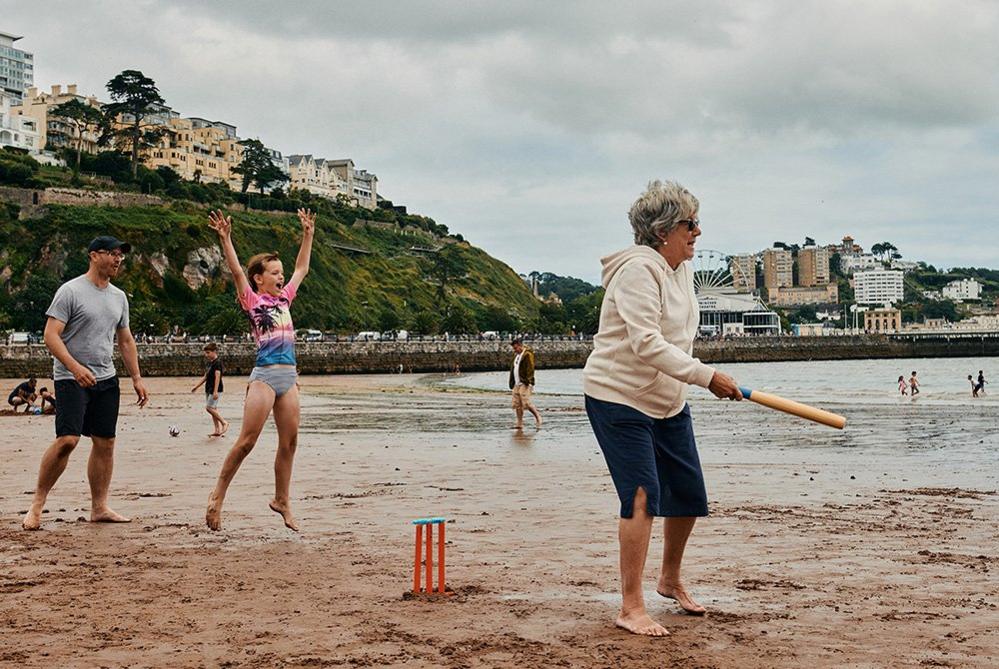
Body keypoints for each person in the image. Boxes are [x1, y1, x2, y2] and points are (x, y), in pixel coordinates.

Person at [582, 180, 742, 637]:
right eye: (689, 224)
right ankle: (631, 605)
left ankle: (669, 578)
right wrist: (708, 376)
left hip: (668, 400)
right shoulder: (639, 270)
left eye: (696, 222)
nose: (697, 232)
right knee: (641, 496)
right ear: (662, 230)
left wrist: (693, 381)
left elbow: (677, 338)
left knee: (689, 494)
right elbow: (647, 344)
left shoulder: (682, 269)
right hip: (618, 397)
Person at [22, 236, 150, 531]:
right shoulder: (71, 291)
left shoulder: (119, 297)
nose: (118, 259)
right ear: (94, 255)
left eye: (121, 255)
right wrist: (75, 367)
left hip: (106, 378)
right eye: (113, 253)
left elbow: (126, 339)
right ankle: (37, 504)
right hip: (70, 377)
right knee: (68, 440)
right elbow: (51, 335)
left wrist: (137, 378)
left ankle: (99, 507)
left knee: (105, 443)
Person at [204, 208, 315, 532]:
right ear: (259, 278)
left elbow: (302, 268)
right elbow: (237, 271)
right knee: (246, 442)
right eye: (275, 273)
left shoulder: (285, 300)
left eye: (282, 273)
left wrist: (308, 233)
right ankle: (217, 496)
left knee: (290, 442)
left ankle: (282, 500)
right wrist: (225, 238)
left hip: (288, 377)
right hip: (265, 377)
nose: (282, 277)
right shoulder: (252, 301)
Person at [191, 342, 228, 437]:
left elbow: (218, 377)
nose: (206, 355)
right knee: (213, 409)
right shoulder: (209, 363)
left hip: (216, 389)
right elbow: (205, 377)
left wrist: (215, 391)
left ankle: (224, 423)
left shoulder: (217, 363)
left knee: (209, 408)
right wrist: (196, 386)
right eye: (206, 353)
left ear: (214, 352)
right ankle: (217, 430)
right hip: (208, 388)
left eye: (208, 352)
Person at [509, 339, 542, 429]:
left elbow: (530, 368)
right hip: (517, 382)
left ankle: (538, 417)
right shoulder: (516, 356)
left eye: (515, 348)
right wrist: (511, 382)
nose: (514, 350)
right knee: (517, 404)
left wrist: (529, 381)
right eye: (513, 348)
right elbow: (513, 369)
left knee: (526, 402)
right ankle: (519, 423)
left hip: (525, 382)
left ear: (520, 345)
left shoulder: (527, 354)